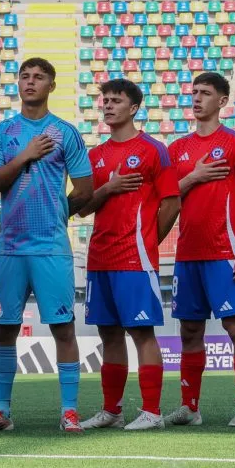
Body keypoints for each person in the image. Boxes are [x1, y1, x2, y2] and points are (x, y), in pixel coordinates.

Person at [0, 57, 93, 433]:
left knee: (63, 327)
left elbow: (86, 190)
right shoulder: (3, 132)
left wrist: (61, 214)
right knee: (5, 328)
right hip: (10, 247)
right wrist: (25, 155)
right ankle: (0, 411)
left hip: (51, 248)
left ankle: (70, 411)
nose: (30, 82)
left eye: (39, 77)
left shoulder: (65, 133)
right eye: (25, 77)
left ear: (52, 85)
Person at [78, 78, 180, 431]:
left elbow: (171, 202)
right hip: (100, 257)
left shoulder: (153, 149)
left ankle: (152, 411)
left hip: (135, 259)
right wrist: (108, 188)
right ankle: (112, 410)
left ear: (133, 108)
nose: (107, 105)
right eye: (104, 100)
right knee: (109, 335)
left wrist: (148, 242)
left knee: (142, 333)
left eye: (115, 100)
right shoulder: (96, 155)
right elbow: (83, 207)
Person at [167, 72, 235, 427]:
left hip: (225, 252)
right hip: (187, 254)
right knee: (189, 332)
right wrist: (193, 177)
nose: (196, 99)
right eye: (193, 92)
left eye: (205, 93)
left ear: (222, 101)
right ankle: (190, 407)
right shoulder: (177, 149)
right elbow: (167, 196)